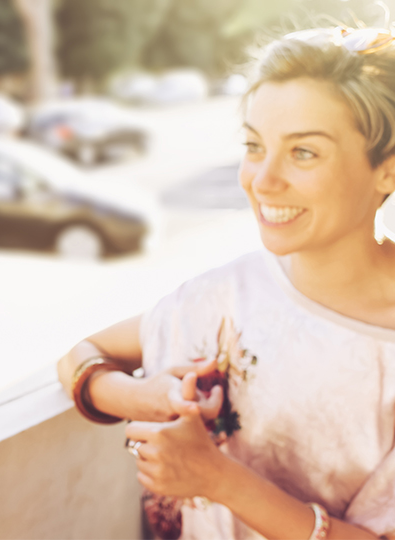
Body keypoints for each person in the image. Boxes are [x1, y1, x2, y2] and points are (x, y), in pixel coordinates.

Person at [58, 26, 395, 540]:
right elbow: (83, 355)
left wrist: (218, 479)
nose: (262, 180)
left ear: (387, 173)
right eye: (255, 146)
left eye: (304, 152)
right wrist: (142, 397)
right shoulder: (226, 294)